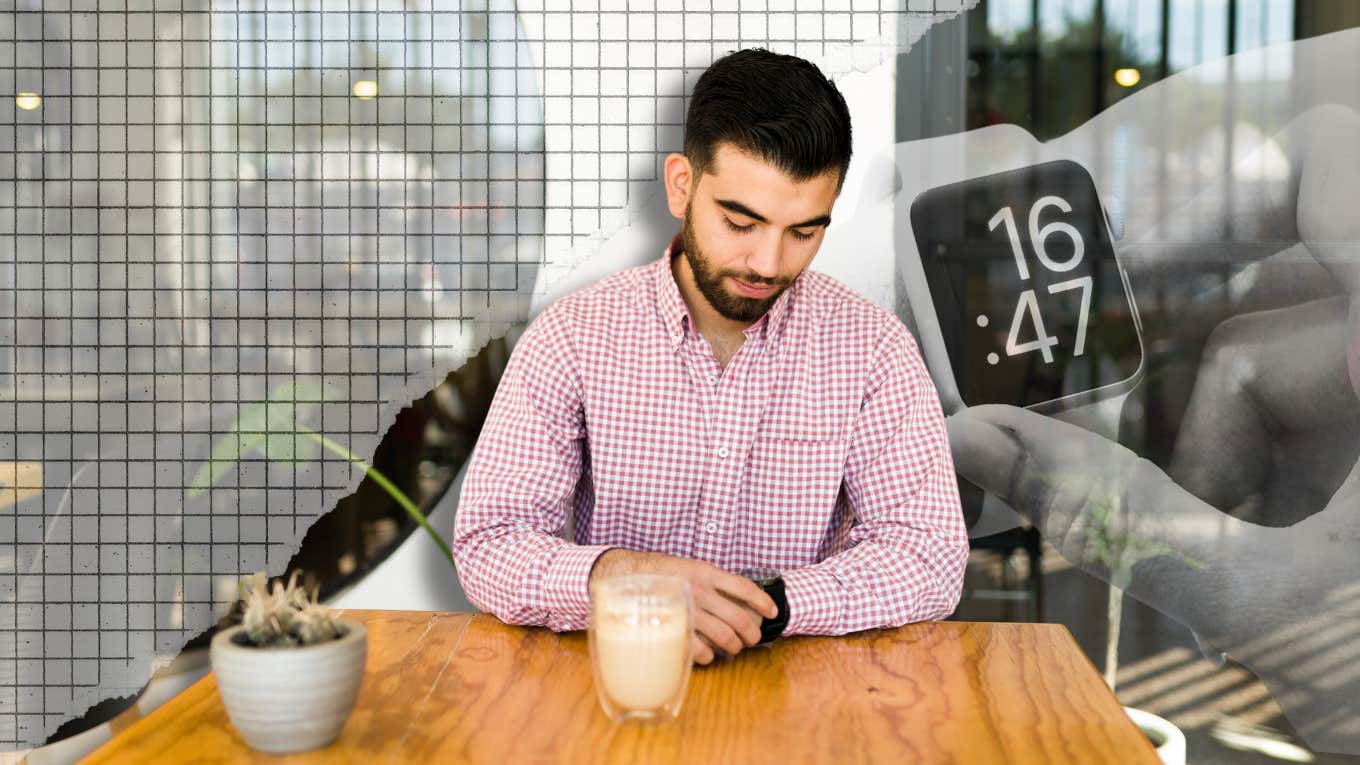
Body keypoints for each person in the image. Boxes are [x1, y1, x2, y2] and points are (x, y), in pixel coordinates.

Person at [452, 48, 969, 665]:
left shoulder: (873, 349)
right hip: (621, 693)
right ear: (682, 185)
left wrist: (765, 606)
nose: (769, 264)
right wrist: (623, 579)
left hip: (804, 701)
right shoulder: (574, 336)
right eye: (740, 222)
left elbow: (927, 555)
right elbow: (489, 542)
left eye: (804, 232)